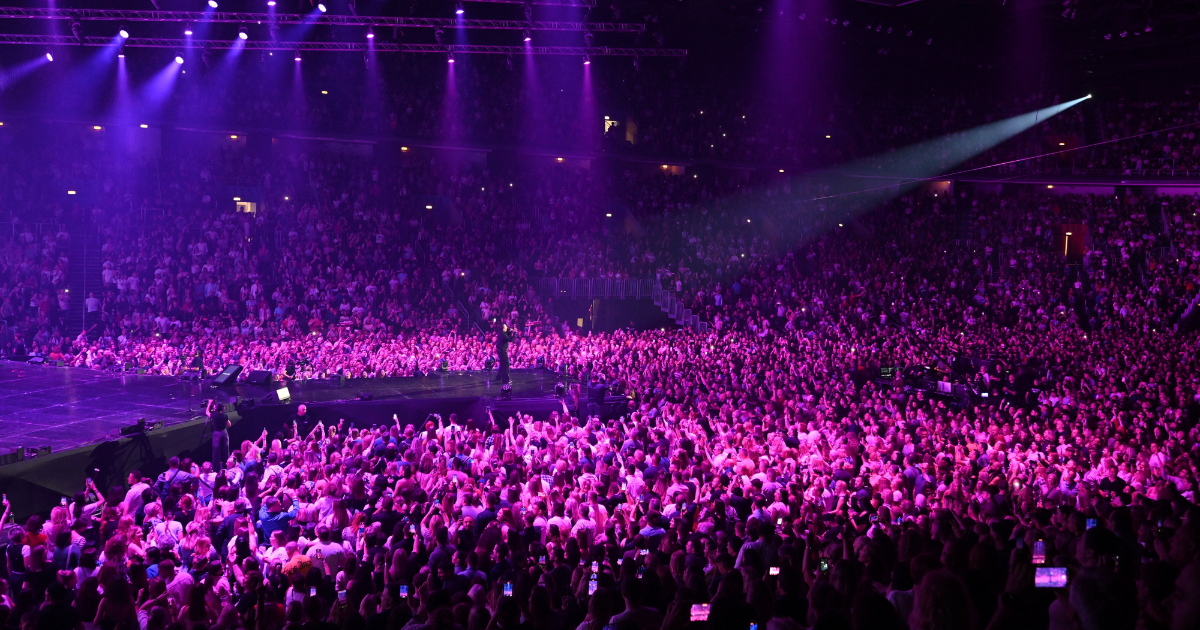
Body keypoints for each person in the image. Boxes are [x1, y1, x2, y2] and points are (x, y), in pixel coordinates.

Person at [206, 399, 229, 470]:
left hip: (217, 434)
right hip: (224, 433)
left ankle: (216, 469)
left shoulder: (214, 415)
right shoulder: (225, 415)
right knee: (226, 450)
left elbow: (207, 412)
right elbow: (229, 424)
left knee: (216, 452)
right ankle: (227, 466)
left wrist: (209, 403)